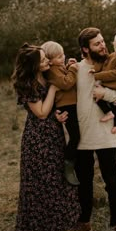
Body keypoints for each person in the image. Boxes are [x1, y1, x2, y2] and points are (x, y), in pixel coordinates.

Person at [63, 27, 116, 231]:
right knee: (83, 183)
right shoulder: (76, 69)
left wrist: (106, 95)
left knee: (112, 181)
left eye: (103, 42)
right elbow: (62, 92)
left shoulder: (114, 63)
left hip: (106, 135)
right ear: (85, 49)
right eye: (97, 44)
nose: (103, 46)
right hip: (83, 137)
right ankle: (84, 223)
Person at [12, 43, 81, 231]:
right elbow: (40, 112)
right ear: (33, 65)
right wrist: (52, 89)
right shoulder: (28, 84)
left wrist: (58, 115)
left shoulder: (46, 75)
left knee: (55, 181)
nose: (47, 62)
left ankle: (55, 226)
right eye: (42, 60)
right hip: (38, 140)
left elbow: (50, 110)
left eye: (46, 58)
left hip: (54, 134)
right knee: (40, 185)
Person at [41, 41, 80, 186]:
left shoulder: (57, 67)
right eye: (58, 57)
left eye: (63, 54)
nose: (62, 57)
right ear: (50, 61)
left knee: (77, 134)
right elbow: (66, 83)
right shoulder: (51, 71)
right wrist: (74, 70)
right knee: (75, 135)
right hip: (66, 106)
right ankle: (68, 163)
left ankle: (72, 160)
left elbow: (65, 75)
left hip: (71, 104)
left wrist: (69, 66)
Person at [89, 31, 116, 134]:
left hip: (115, 83)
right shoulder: (114, 55)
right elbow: (107, 61)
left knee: (101, 97)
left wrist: (97, 75)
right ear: (114, 45)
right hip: (110, 82)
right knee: (114, 103)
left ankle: (109, 114)